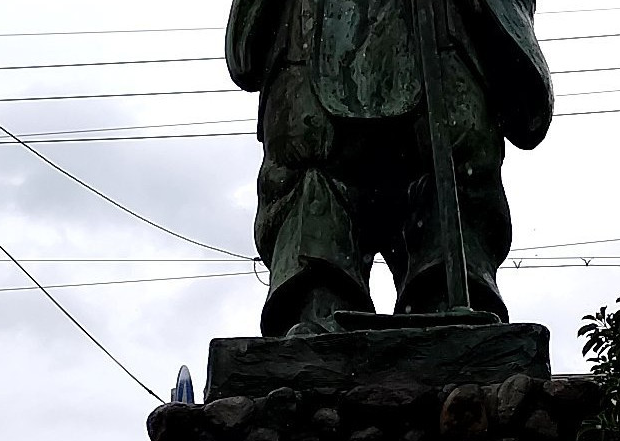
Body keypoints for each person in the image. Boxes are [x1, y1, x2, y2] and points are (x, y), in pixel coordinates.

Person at [226, 0, 553, 336]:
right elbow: (245, 65)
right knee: (308, 169)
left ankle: (447, 291)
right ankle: (316, 299)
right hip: (309, 44)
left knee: (457, 170)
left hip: (442, 43)